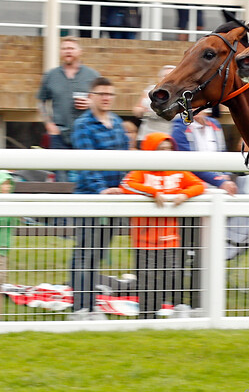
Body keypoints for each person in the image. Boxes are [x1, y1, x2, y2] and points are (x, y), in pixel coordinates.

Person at [119, 132, 205, 318]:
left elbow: (199, 186)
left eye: (169, 149)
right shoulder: (141, 171)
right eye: (161, 149)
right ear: (151, 150)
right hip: (144, 240)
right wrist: (152, 192)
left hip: (170, 239)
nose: (166, 153)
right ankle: (147, 316)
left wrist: (185, 194)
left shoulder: (178, 171)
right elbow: (126, 185)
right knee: (146, 280)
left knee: (169, 276)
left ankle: (159, 310)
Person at [69, 77, 131, 319]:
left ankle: (91, 305)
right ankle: (80, 308)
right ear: (91, 96)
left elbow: (125, 158)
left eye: (109, 93)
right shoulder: (83, 125)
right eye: (101, 93)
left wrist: (123, 187)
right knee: (84, 252)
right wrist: (101, 190)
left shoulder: (116, 123)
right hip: (91, 198)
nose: (106, 97)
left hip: (115, 199)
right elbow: (86, 162)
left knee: (98, 254)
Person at [170, 111, 237, 310]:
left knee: (206, 253)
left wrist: (224, 179)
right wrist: (220, 181)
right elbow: (189, 164)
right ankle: (177, 303)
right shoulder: (180, 126)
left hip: (214, 199)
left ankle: (201, 304)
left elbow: (223, 156)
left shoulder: (215, 125)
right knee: (182, 252)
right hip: (190, 197)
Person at [37, 37, 101, 181]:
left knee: (86, 175)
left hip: (86, 133)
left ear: (79, 52)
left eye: (71, 48)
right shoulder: (51, 76)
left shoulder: (92, 75)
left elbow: (103, 102)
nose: (68, 51)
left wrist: (90, 103)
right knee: (60, 178)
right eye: (64, 48)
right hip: (59, 135)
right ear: (60, 52)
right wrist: (48, 124)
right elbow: (41, 102)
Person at [134, 64, 176, 146]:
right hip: (147, 137)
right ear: (159, 78)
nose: (167, 78)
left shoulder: (180, 94)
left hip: (168, 140)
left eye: (171, 75)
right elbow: (136, 110)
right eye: (165, 76)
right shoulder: (150, 90)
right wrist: (141, 111)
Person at [0, 170, 19, 313]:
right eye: (4, 184)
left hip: (3, 248)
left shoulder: (10, 202)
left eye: (8, 184)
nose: (7, 187)